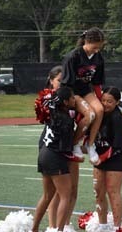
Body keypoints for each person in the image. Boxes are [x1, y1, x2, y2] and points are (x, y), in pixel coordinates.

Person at [42, 66, 87, 232]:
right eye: (59, 80)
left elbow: (86, 116)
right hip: (55, 149)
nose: (62, 83)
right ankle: (53, 227)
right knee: (55, 192)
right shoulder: (47, 100)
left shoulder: (70, 98)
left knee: (72, 189)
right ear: (51, 80)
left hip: (69, 146)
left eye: (64, 80)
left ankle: (65, 224)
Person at [32, 87, 77, 232]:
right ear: (65, 101)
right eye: (72, 97)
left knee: (47, 196)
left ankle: (34, 229)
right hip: (55, 157)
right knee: (66, 195)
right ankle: (60, 230)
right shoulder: (66, 120)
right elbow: (66, 147)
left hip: (43, 153)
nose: (74, 99)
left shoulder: (52, 113)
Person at [61, 27, 105, 165]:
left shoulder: (98, 58)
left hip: (86, 90)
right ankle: (75, 143)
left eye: (100, 47)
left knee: (100, 110)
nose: (97, 50)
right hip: (73, 92)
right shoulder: (73, 56)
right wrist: (70, 103)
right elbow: (66, 84)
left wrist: (100, 99)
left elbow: (97, 83)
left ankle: (90, 145)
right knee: (90, 115)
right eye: (95, 47)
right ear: (87, 41)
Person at [93, 86, 122, 232]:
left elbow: (117, 145)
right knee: (98, 190)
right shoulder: (98, 114)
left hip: (117, 157)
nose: (106, 104)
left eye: (110, 101)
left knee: (113, 191)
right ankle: (102, 225)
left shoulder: (117, 118)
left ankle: (117, 227)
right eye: (103, 100)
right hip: (101, 156)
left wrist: (100, 158)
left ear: (116, 102)